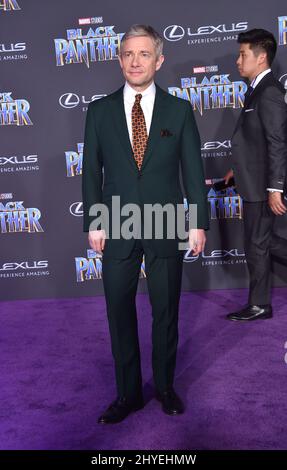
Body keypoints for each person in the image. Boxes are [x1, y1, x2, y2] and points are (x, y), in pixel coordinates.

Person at [82, 24, 209, 423]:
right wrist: (94, 221)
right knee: (118, 309)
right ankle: (128, 394)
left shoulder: (179, 110)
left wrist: (197, 222)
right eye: (127, 54)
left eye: (143, 54)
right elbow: (90, 173)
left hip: (167, 221)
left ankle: (166, 386)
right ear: (119, 59)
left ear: (159, 59)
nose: (135, 62)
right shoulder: (99, 111)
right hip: (116, 222)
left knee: (166, 310)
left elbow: (193, 172)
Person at [224, 29, 287, 322]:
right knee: (260, 242)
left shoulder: (270, 91)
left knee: (258, 243)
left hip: (264, 186)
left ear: (261, 58)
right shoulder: (256, 89)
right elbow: (255, 140)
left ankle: (260, 304)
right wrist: (237, 170)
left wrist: (275, 188)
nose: (238, 60)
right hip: (253, 182)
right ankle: (260, 303)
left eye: (243, 54)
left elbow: (277, 142)